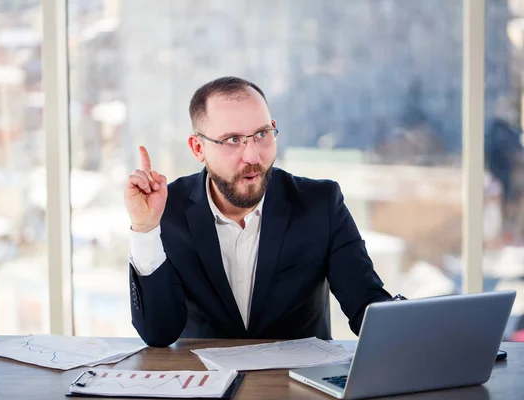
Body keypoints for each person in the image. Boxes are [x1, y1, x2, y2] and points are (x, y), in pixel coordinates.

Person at [124, 76, 392, 347]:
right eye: (232, 140)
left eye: (262, 134)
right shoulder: (167, 209)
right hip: (206, 382)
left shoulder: (320, 204)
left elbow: (368, 307)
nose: (252, 157)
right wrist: (145, 230)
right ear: (198, 148)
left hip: (297, 381)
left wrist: (414, 326)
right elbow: (159, 334)